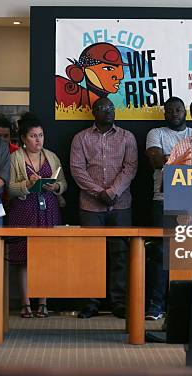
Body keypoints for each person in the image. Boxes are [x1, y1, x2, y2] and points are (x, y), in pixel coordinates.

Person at [70, 97, 138, 319]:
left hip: (121, 204)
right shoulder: (80, 138)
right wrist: (99, 192)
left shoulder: (127, 137)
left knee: (120, 255)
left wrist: (113, 192)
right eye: (102, 108)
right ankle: (91, 302)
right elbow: (77, 170)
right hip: (91, 205)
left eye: (111, 108)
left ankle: (118, 303)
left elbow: (130, 168)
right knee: (91, 256)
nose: (108, 111)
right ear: (93, 112)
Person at [7, 112, 67, 318]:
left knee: (47, 257)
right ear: (23, 138)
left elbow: (64, 184)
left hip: (48, 209)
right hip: (24, 210)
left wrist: (55, 186)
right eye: (33, 136)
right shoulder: (15, 158)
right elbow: (9, 188)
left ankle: (43, 303)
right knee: (24, 258)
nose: (38, 140)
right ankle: (25, 304)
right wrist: (28, 184)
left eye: (41, 135)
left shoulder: (51, 156)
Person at [144, 96, 192, 320]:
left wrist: (170, 159)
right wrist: (183, 159)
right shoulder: (156, 133)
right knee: (160, 255)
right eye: (169, 110)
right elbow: (155, 161)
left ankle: (183, 305)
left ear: (185, 112)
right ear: (164, 113)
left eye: (178, 110)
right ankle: (156, 305)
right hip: (162, 200)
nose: (174, 113)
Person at [55, 42, 125, 111]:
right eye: (108, 68)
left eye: (120, 69)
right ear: (85, 69)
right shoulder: (72, 95)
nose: (120, 76)